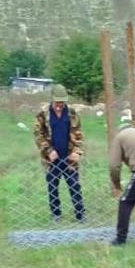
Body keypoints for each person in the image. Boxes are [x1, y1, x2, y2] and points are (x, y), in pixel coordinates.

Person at [33, 84, 85, 222]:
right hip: (51, 159)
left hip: (69, 158)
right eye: (56, 103)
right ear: (52, 100)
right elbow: (38, 135)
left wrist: (77, 152)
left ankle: (80, 215)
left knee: (74, 185)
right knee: (52, 186)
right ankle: (56, 214)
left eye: (61, 103)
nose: (59, 106)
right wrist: (48, 150)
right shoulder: (43, 114)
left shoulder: (72, 113)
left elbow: (78, 134)